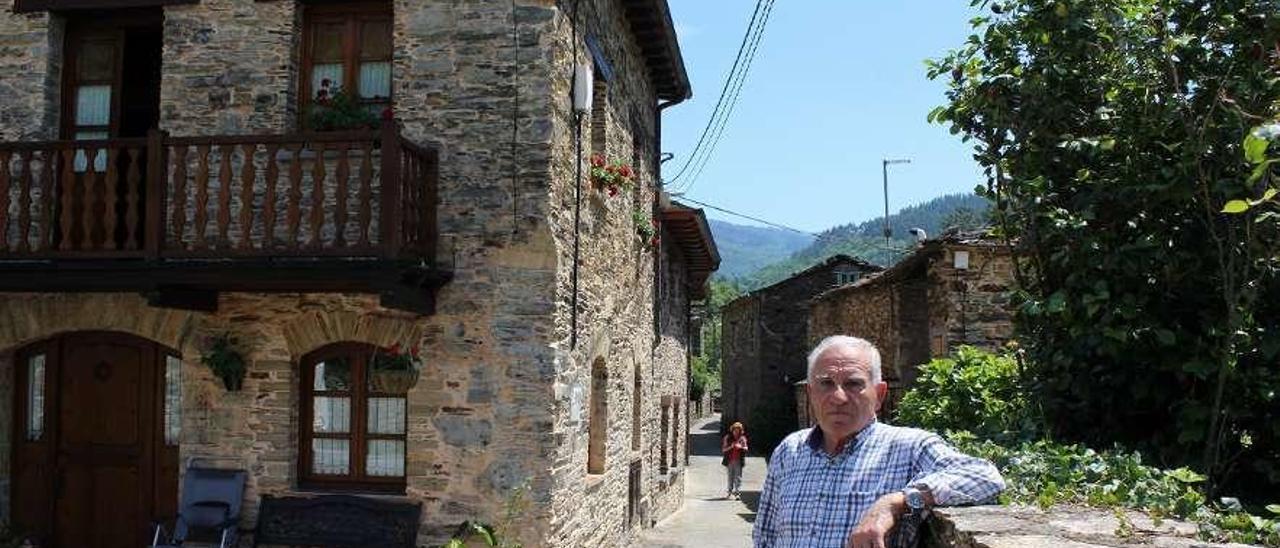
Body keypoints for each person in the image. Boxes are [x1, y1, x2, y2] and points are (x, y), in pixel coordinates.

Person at [752, 335, 1005, 548]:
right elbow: (765, 537)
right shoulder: (789, 451)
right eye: (826, 384)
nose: (838, 397)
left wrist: (896, 502)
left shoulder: (908, 447)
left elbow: (985, 476)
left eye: (853, 384)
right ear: (810, 393)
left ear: (879, 394)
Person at [721, 421, 749, 499]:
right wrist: (731, 446)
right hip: (729, 461)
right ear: (732, 430)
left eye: (738, 430)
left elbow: (746, 448)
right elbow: (723, 450)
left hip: (738, 461)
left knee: (738, 478)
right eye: (735, 430)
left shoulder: (742, 438)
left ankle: (737, 493)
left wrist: (740, 447)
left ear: (740, 431)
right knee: (730, 477)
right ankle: (729, 492)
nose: (736, 432)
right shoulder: (727, 437)